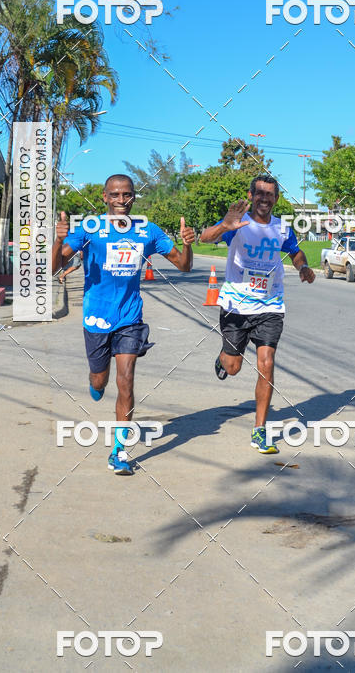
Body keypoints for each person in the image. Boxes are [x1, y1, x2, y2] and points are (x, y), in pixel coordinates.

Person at [52, 174, 195, 475]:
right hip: (97, 318)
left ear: (133, 198)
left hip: (130, 317)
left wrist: (188, 245)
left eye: (126, 195)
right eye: (115, 195)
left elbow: (183, 265)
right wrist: (58, 239)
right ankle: (95, 383)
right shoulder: (90, 229)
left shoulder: (148, 231)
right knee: (99, 381)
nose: (121, 201)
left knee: (126, 379)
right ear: (104, 197)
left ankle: (118, 451)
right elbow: (55, 268)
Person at [200, 174, 315, 454]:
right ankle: (223, 357)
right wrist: (223, 226)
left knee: (267, 362)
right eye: (260, 194)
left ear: (276, 199)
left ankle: (260, 430)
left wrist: (302, 267)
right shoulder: (238, 224)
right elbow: (205, 238)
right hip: (236, 307)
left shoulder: (283, 228)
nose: (265, 198)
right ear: (251, 196)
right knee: (233, 367)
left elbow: (295, 252)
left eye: (270, 194)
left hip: (270, 305)